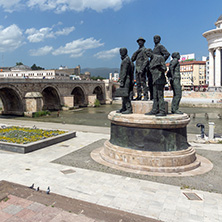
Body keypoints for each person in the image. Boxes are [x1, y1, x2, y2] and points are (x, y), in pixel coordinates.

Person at [144, 49, 167, 116]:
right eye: (147, 55)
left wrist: (159, 67)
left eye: (148, 54)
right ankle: (155, 110)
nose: (148, 56)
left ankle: (162, 111)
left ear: (151, 52)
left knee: (160, 96)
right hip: (154, 80)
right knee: (155, 96)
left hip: (160, 79)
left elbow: (164, 68)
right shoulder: (151, 60)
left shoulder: (159, 57)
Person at [116, 48, 134, 114]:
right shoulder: (128, 60)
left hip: (126, 79)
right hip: (128, 79)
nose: (120, 53)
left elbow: (124, 71)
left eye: (121, 52)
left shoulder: (126, 60)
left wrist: (122, 81)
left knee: (125, 94)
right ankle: (124, 108)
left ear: (125, 52)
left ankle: (129, 109)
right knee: (123, 94)